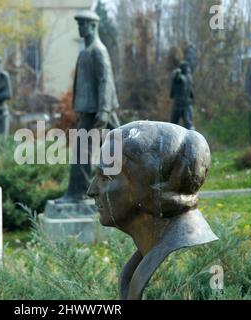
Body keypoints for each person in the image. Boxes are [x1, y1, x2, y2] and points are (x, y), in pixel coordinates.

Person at [87, 121, 218, 300]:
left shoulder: (180, 268)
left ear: (145, 187)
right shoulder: (144, 258)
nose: (91, 190)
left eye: (105, 178)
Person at [56, 10, 120, 204]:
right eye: (79, 25)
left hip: (98, 112)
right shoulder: (85, 52)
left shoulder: (98, 51)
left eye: (83, 24)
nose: (80, 28)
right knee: (90, 151)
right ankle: (77, 192)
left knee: (116, 149)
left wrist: (104, 110)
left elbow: (105, 81)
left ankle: (78, 193)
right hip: (88, 110)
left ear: (93, 26)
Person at [170, 61, 195, 130]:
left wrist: (177, 73)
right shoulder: (187, 77)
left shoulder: (185, 77)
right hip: (183, 104)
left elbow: (190, 90)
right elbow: (192, 93)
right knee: (174, 124)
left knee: (186, 124)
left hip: (182, 105)